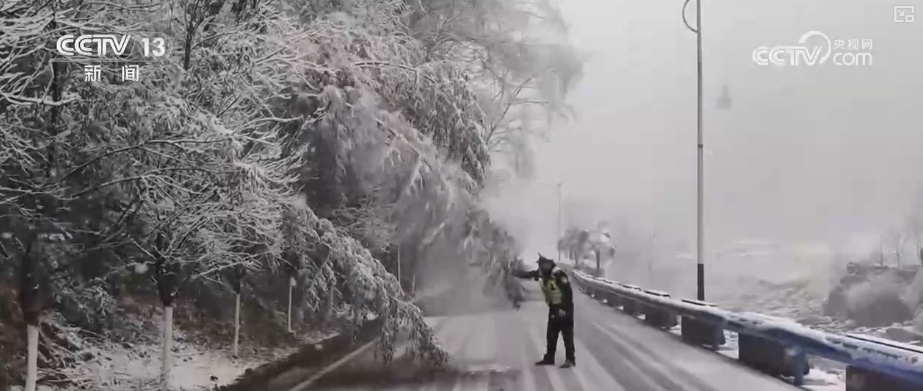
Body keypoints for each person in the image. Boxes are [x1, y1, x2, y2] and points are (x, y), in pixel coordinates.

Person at [512, 254, 576, 368]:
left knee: (567, 334)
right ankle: (549, 358)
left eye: (541, 264)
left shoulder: (558, 274)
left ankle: (570, 359)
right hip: (553, 307)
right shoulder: (543, 273)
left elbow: (567, 293)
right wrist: (513, 272)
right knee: (551, 333)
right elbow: (529, 274)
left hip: (564, 308)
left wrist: (563, 309)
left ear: (548, 264)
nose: (539, 267)